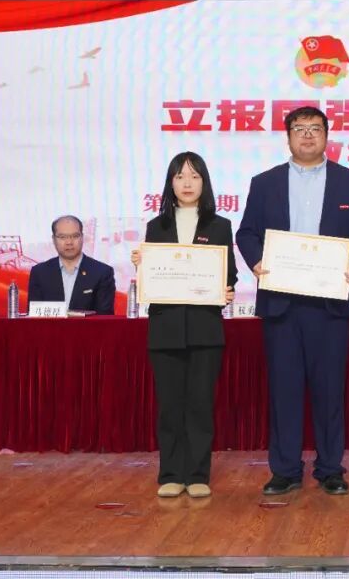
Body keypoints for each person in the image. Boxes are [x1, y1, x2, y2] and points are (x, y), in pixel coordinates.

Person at [236, 106, 349, 497]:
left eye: (316, 128)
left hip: (330, 303)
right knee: (284, 389)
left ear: (327, 135)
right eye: (299, 128)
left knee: (330, 390)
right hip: (282, 303)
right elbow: (246, 233)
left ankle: (330, 468)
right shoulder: (265, 183)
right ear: (288, 137)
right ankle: (285, 469)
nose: (308, 135)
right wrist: (257, 262)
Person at [130, 152, 236, 499]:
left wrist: (227, 289)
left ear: (204, 182)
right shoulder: (156, 226)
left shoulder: (219, 225)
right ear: (170, 183)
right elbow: (153, 277)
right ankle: (171, 474)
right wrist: (142, 264)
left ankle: (198, 474)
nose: (187, 183)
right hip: (166, 329)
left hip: (205, 329)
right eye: (179, 176)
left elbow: (230, 274)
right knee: (170, 406)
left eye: (194, 176)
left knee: (200, 405)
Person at [27, 215, 116, 314]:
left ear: (82, 237)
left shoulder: (102, 273)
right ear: (53, 239)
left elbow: (104, 317)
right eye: (62, 237)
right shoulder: (40, 273)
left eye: (75, 236)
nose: (69, 242)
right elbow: (34, 315)